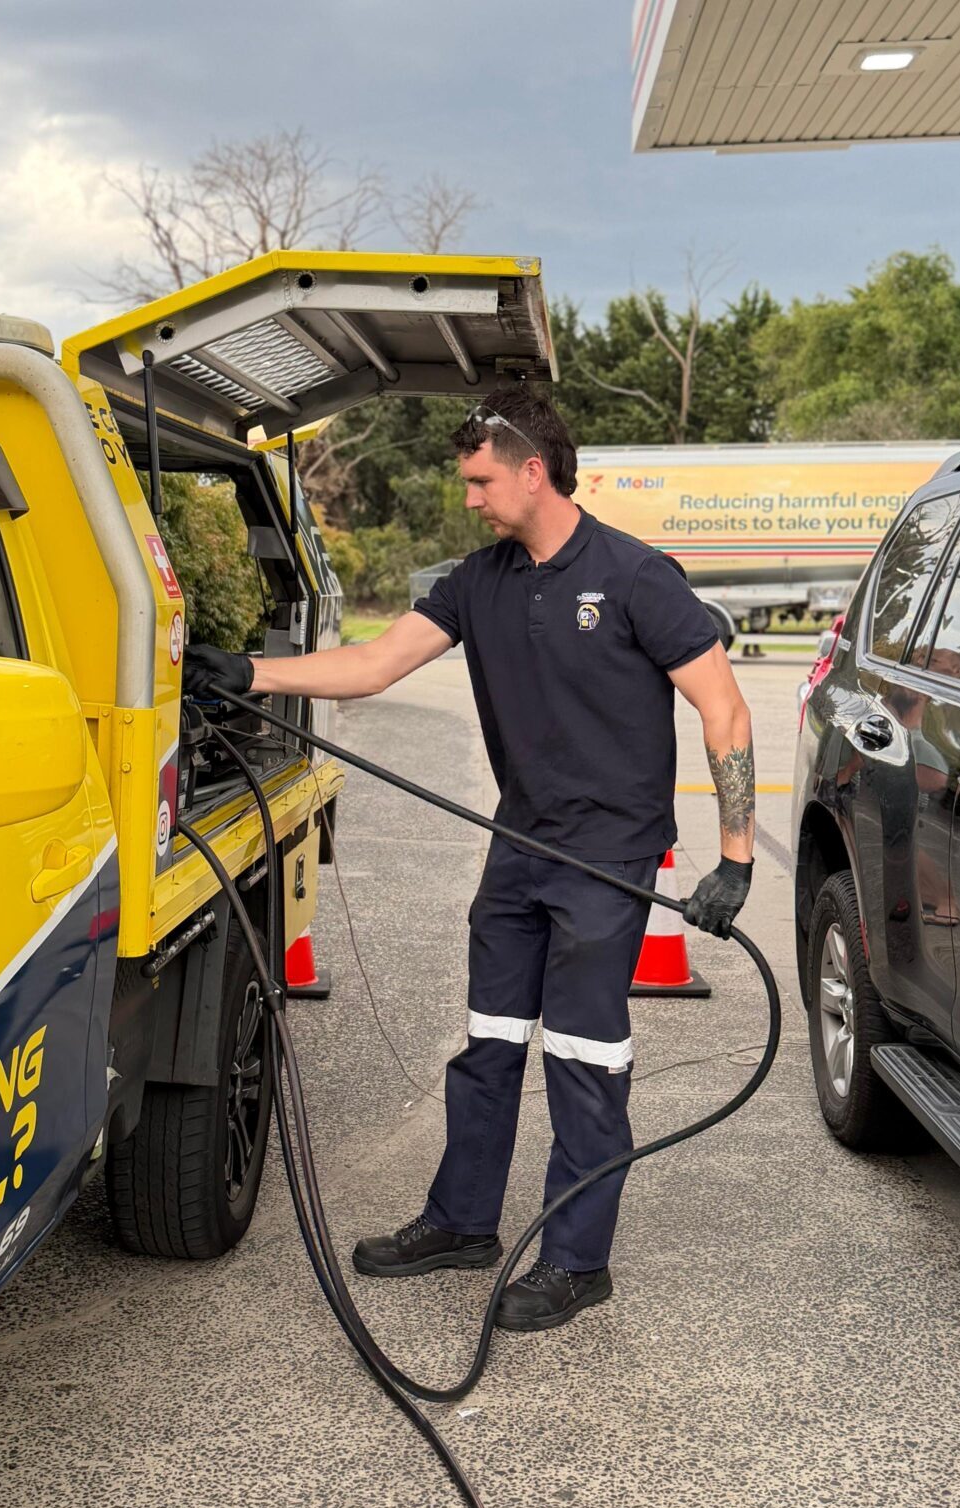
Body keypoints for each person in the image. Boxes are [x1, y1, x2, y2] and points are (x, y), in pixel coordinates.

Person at [183, 388, 755, 1334]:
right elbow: (373, 664)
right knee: (489, 1042)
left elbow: (724, 709)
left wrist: (734, 858)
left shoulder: (634, 575)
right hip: (519, 846)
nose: (471, 499)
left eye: (481, 480)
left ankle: (577, 1261)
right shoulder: (477, 580)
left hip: (605, 862)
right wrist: (249, 673)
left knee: (582, 1054)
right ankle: (462, 1222)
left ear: (534, 470)